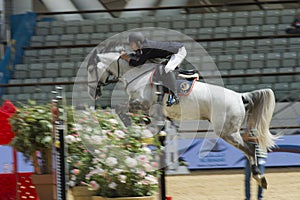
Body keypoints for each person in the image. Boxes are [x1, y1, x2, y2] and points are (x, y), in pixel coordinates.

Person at [120, 32, 187, 106]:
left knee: (167, 69)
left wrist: (126, 57)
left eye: (131, 44)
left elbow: (138, 63)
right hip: (169, 53)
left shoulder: (147, 48)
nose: (130, 46)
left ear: (138, 42)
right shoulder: (143, 47)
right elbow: (137, 57)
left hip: (178, 51)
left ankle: (175, 96)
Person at [242, 128, 268, 200]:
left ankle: (260, 197)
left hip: (260, 155)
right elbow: (244, 138)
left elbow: (262, 138)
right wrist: (249, 131)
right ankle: (247, 198)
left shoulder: (263, 126)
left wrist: (249, 139)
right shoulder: (249, 127)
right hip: (250, 155)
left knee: (260, 177)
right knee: (247, 178)